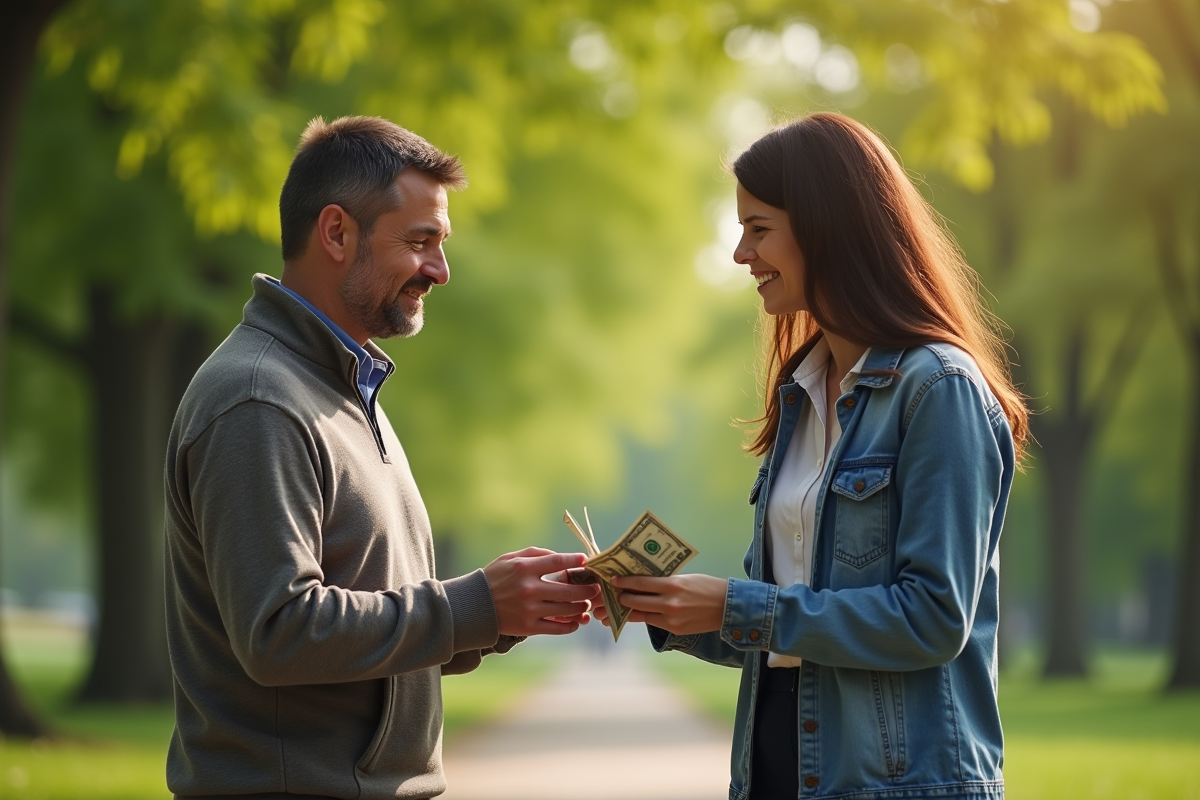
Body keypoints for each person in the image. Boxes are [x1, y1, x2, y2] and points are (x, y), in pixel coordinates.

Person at [163, 116, 598, 800]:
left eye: (441, 244)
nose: (441, 271)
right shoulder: (259, 400)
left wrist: (500, 615)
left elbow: (367, 630)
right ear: (336, 232)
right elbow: (279, 633)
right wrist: (471, 605)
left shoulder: (344, 387)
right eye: (420, 242)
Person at [595, 113, 1027, 800]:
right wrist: (663, 605)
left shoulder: (938, 390)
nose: (742, 255)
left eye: (758, 229)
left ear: (828, 228)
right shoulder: (800, 395)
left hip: (900, 785)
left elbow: (933, 619)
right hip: (777, 772)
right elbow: (786, 634)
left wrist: (739, 605)